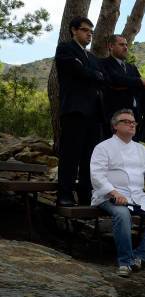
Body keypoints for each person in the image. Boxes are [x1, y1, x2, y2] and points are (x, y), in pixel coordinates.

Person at [90, 109, 145, 276]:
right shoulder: (103, 147)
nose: (131, 124)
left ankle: (140, 256)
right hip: (109, 196)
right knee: (122, 215)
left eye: (133, 122)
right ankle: (125, 261)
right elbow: (97, 175)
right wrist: (114, 193)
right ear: (115, 126)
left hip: (137, 196)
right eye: (126, 121)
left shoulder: (141, 149)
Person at [55, 16, 106, 207]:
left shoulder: (91, 57)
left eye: (91, 32)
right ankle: (64, 195)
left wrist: (90, 73)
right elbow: (78, 71)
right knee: (70, 155)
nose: (89, 35)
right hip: (75, 110)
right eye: (85, 30)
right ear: (74, 30)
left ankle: (85, 196)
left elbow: (102, 78)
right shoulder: (66, 49)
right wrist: (92, 74)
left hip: (94, 113)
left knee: (89, 158)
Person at [100, 34, 145, 138]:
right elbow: (115, 80)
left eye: (126, 45)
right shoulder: (104, 64)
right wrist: (138, 81)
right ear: (111, 46)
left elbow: (143, 88)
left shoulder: (132, 68)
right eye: (121, 44)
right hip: (115, 117)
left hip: (135, 118)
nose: (125, 47)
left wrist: (127, 84)